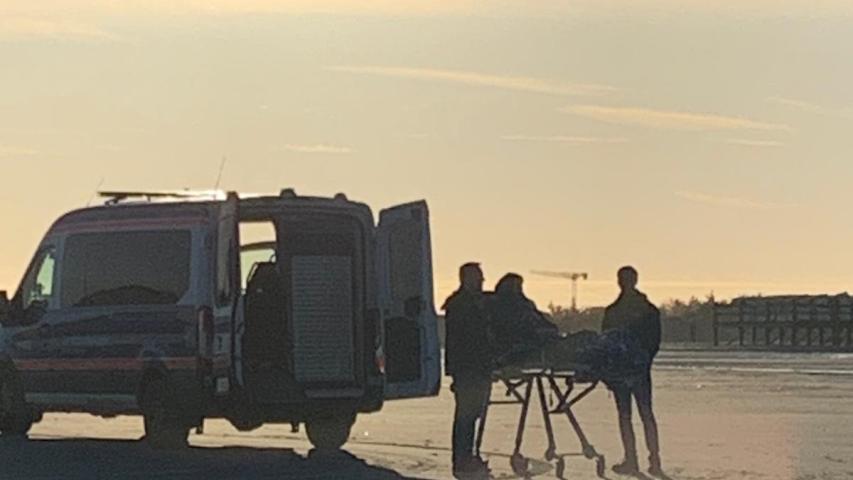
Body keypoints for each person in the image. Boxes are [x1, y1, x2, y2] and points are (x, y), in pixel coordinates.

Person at [602, 266, 663, 477]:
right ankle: (653, 460)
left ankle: (632, 459)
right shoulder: (649, 310)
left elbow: (606, 343)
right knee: (645, 414)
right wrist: (643, 362)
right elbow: (654, 343)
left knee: (626, 416)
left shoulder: (613, 312)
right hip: (639, 370)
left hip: (622, 370)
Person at [442, 262, 493, 478]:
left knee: (471, 414)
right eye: (479, 277)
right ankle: (462, 458)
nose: (482, 281)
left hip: (475, 367)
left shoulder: (470, 304)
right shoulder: (462, 305)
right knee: (466, 415)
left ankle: (466, 456)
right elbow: (459, 341)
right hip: (468, 367)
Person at [488, 273, 559, 364]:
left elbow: (539, 318)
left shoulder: (527, 303)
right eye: (514, 285)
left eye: (519, 285)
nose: (518, 288)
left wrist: (551, 327)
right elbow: (506, 325)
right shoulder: (498, 304)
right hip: (516, 338)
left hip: (534, 334)